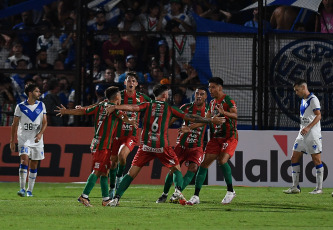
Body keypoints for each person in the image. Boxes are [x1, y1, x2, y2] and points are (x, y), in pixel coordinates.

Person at [106, 84, 225, 206]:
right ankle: (178, 192)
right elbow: (191, 117)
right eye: (168, 93)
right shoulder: (169, 108)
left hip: (146, 146)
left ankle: (116, 198)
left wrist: (116, 107)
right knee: (176, 168)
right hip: (162, 147)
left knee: (131, 173)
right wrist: (210, 120)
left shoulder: (147, 105)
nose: (168, 95)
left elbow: (132, 107)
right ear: (164, 95)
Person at [54, 86, 138, 206]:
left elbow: (84, 110)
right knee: (98, 170)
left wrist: (67, 111)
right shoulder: (113, 109)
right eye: (120, 95)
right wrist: (130, 121)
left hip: (100, 143)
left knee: (105, 171)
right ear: (117, 97)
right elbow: (123, 117)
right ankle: (84, 196)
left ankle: (106, 199)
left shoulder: (100, 105)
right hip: (102, 145)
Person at [185, 77, 238, 205]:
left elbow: (235, 115)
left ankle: (230, 191)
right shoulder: (212, 103)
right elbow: (206, 120)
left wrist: (223, 112)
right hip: (215, 138)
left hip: (229, 137)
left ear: (220, 87)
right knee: (204, 164)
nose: (210, 90)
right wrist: (191, 126)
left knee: (222, 160)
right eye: (209, 87)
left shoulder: (228, 100)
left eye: (213, 87)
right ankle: (196, 196)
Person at [156, 87, 209, 203]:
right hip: (182, 145)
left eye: (202, 94)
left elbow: (206, 120)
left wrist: (189, 127)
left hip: (196, 147)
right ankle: (164, 194)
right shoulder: (186, 107)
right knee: (173, 170)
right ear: (194, 95)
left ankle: (177, 192)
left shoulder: (208, 110)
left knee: (193, 168)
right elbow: (172, 119)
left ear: (206, 97)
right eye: (197, 94)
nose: (199, 96)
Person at [108, 72, 151, 198]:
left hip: (131, 135)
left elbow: (154, 106)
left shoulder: (142, 98)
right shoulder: (118, 96)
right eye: (129, 81)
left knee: (122, 156)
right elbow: (105, 105)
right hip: (116, 133)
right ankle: (111, 189)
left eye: (133, 81)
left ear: (137, 84)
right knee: (113, 163)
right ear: (124, 83)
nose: (131, 83)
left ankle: (120, 177)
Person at [283, 79, 323, 195]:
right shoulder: (303, 100)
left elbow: (319, 116)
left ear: (303, 87)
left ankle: (319, 188)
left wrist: (308, 127)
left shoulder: (313, 99)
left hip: (312, 134)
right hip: (302, 134)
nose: (296, 93)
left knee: (316, 160)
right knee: (294, 157)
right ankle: (295, 187)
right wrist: (303, 128)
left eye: (297, 90)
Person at [10, 83, 47, 197]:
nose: (39, 93)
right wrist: (12, 141)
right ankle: (22, 189)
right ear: (30, 93)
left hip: (36, 140)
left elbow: (45, 122)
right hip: (24, 138)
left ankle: (29, 190)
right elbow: (14, 124)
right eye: (37, 91)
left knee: (34, 164)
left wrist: (40, 134)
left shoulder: (41, 105)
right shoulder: (20, 106)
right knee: (24, 160)